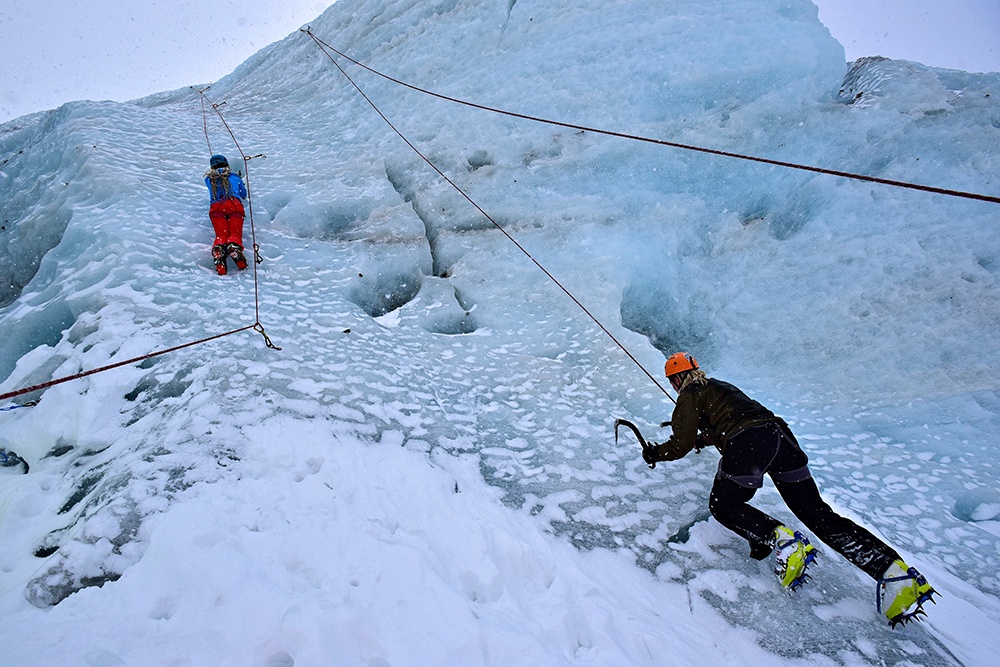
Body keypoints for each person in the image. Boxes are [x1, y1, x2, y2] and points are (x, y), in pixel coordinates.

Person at [643, 352, 936, 628]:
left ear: (677, 379)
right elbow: (731, 420)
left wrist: (655, 453)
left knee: (724, 504)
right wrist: (705, 439)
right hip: (781, 438)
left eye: (672, 381)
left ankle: (782, 541)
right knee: (818, 514)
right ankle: (893, 572)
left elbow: (681, 444)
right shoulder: (719, 387)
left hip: (749, 443)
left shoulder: (689, 395)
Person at [204, 154, 249, 275]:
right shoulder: (234, 177)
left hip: (216, 207)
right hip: (234, 205)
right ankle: (233, 247)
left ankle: (219, 251)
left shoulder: (209, 180)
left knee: (221, 235)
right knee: (234, 233)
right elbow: (243, 194)